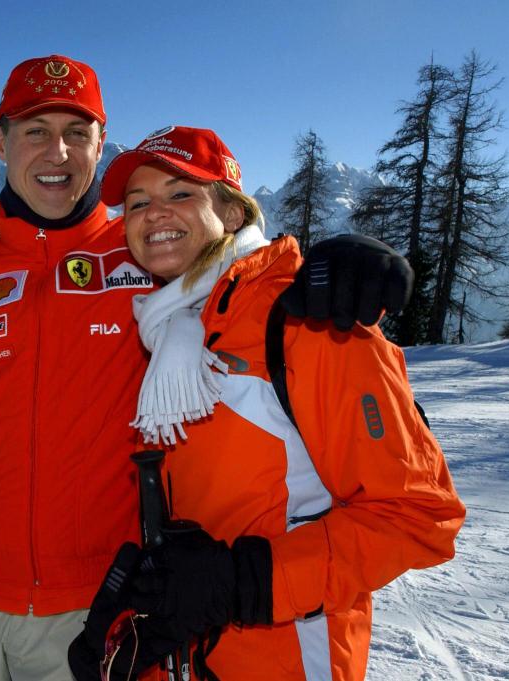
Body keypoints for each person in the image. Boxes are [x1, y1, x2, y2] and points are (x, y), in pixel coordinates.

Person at [0, 56, 416, 681]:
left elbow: (232, 270)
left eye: (77, 131)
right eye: (35, 130)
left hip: (102, 607)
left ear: (101, 143)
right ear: (0, 140)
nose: (57, 151)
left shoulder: (145, 261)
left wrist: (335, 264)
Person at [68, 126, 465, 680]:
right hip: (188, 654)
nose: (154, 213)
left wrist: (242, 583)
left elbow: (419, 517)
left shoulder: (310, 325)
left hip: (285, 658)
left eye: (180, 193)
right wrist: (124, 615)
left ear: (232, 215)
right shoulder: (166, 335)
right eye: (138, 203)